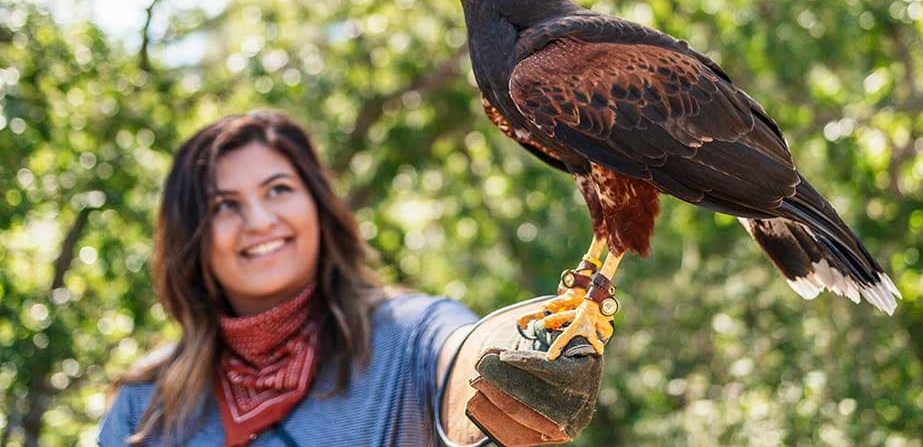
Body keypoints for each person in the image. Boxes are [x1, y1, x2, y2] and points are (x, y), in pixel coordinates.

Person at [98, 111, 605, 446]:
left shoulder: (409, 334)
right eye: (224, 205)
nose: (258, 221)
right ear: (192, 235)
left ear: (318, 207)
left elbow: (463, 354)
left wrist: (523, 349)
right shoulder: (146, 404)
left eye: (277, 190)